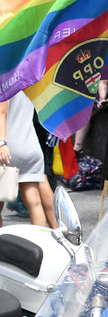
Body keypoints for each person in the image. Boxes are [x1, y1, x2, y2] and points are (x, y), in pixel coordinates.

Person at [0, 92, 56, 228]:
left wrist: (2, 143)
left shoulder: (4, 83)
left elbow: (2, 112)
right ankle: (41, 238)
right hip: (30, 145)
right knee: (34, 202)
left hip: (7, 147)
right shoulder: (27, 82)